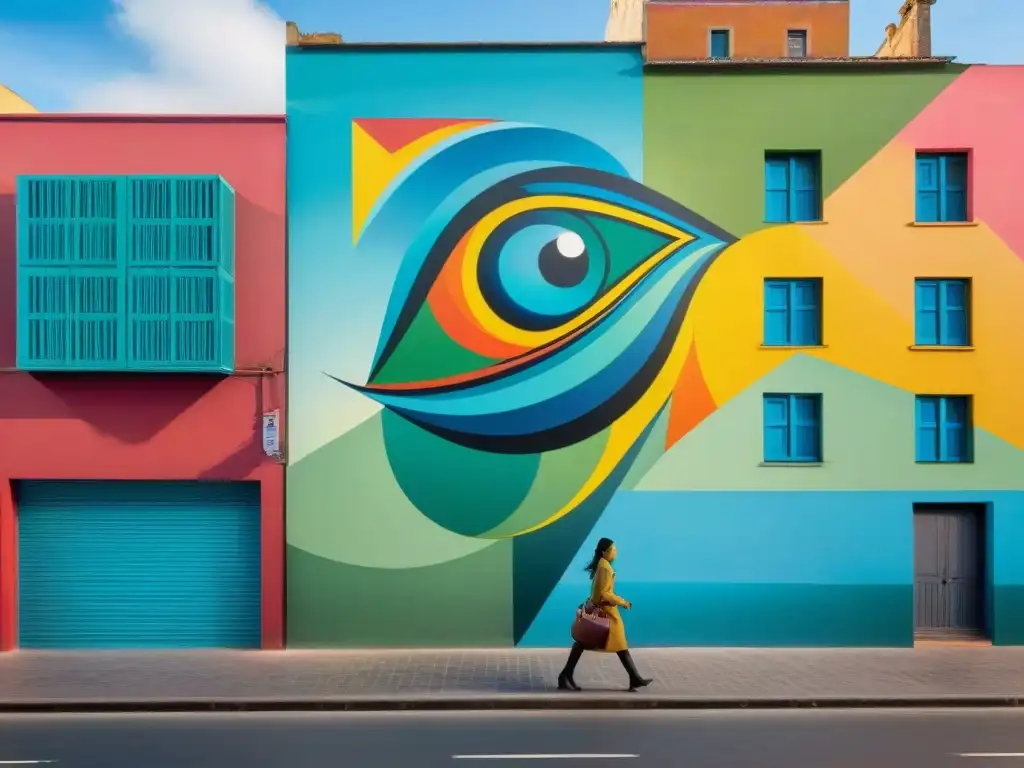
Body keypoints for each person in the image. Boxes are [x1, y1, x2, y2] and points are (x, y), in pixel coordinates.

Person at [557, 537, 653, 692]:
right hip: (606, 612)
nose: (615, 551)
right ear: (605, 552)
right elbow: (604, 594)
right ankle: (565, 675)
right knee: (593, 642)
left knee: (597, 643)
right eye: (613, 549)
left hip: (604, 611)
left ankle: (565, 676)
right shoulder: (605, 568)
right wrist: (623, 602)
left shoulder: (603, 565)